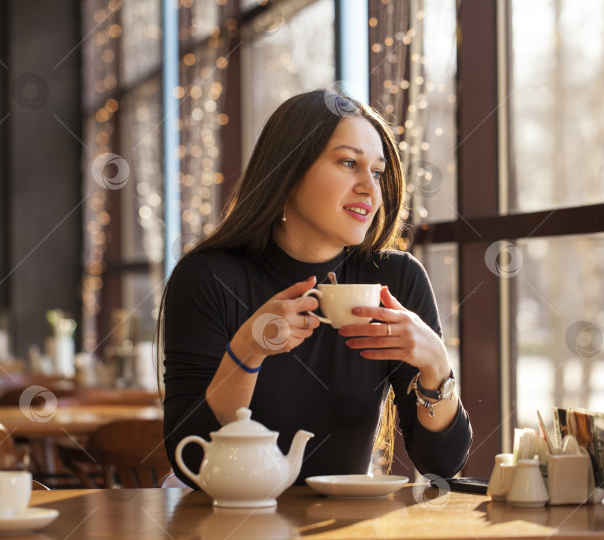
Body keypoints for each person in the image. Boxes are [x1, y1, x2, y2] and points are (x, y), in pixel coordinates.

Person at [160, 89, 472, 487]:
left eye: (376, 172)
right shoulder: (209, 277)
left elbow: (441, 466)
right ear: (287, 172)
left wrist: (436, 366)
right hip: (224, 516)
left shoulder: (396, 278)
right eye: (348, 163)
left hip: (340, 523)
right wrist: (248, 349)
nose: (370, 189)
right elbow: (191, 452)